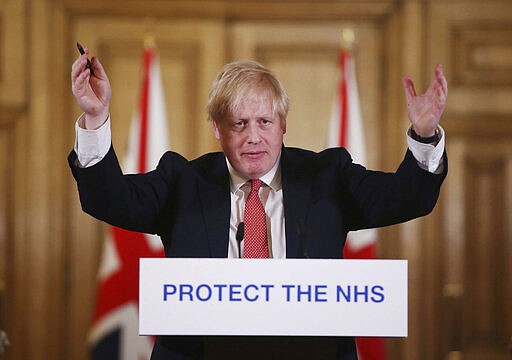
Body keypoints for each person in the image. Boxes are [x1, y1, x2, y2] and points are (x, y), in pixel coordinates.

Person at [69, 47, 448, 360]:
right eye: (239, 123)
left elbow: (405, 198)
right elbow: (110, 200)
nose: (254, 137)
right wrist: (96, 116)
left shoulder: (328, 177)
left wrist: (424, 134)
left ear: (283, 125)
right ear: (217, 129)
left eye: (265, 122)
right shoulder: (182, 181)